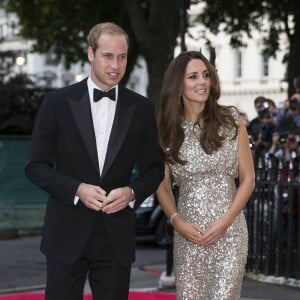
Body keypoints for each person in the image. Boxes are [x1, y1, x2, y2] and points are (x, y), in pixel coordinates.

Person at [25, 22, 164, 300]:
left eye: (122, 56)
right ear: (91, 54)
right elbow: (35, 166)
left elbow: (154, 168)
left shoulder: (142, 108)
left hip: (116, 237)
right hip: (66, 234)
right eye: (107, 56)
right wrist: (76, 189)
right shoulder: (56, 102)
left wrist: (132, 193)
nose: (116, 65)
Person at [156, 51, 255, 299]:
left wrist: (225, 222)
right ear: (178, 84)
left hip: (229, 233)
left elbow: (249, 179)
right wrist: (177, 221)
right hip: (188, 234)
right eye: (193, 76)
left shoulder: (231, 121)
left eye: (205, 75)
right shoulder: (168, 131)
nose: (202, 82)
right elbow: (162, 187)